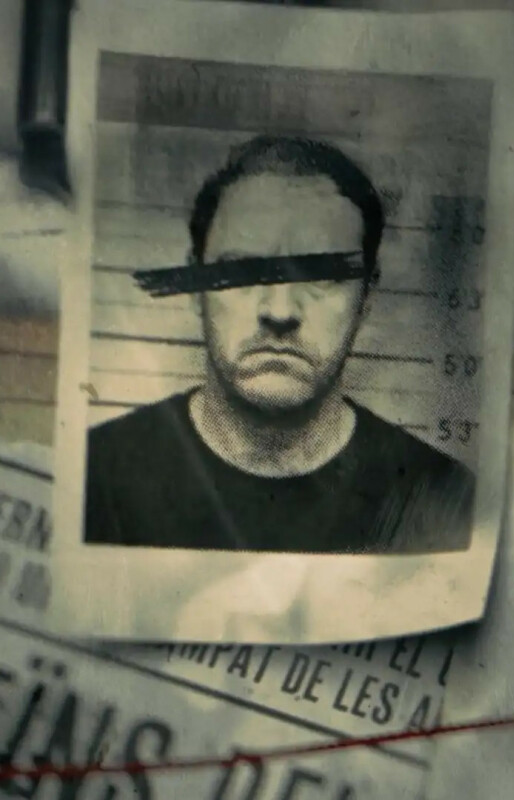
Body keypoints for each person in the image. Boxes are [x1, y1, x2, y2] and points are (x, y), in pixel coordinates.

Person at [84, 136, 475, 553]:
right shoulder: (94, 473)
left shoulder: (445, 498)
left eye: (322, 274)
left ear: (366, 297)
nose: (280, 310)